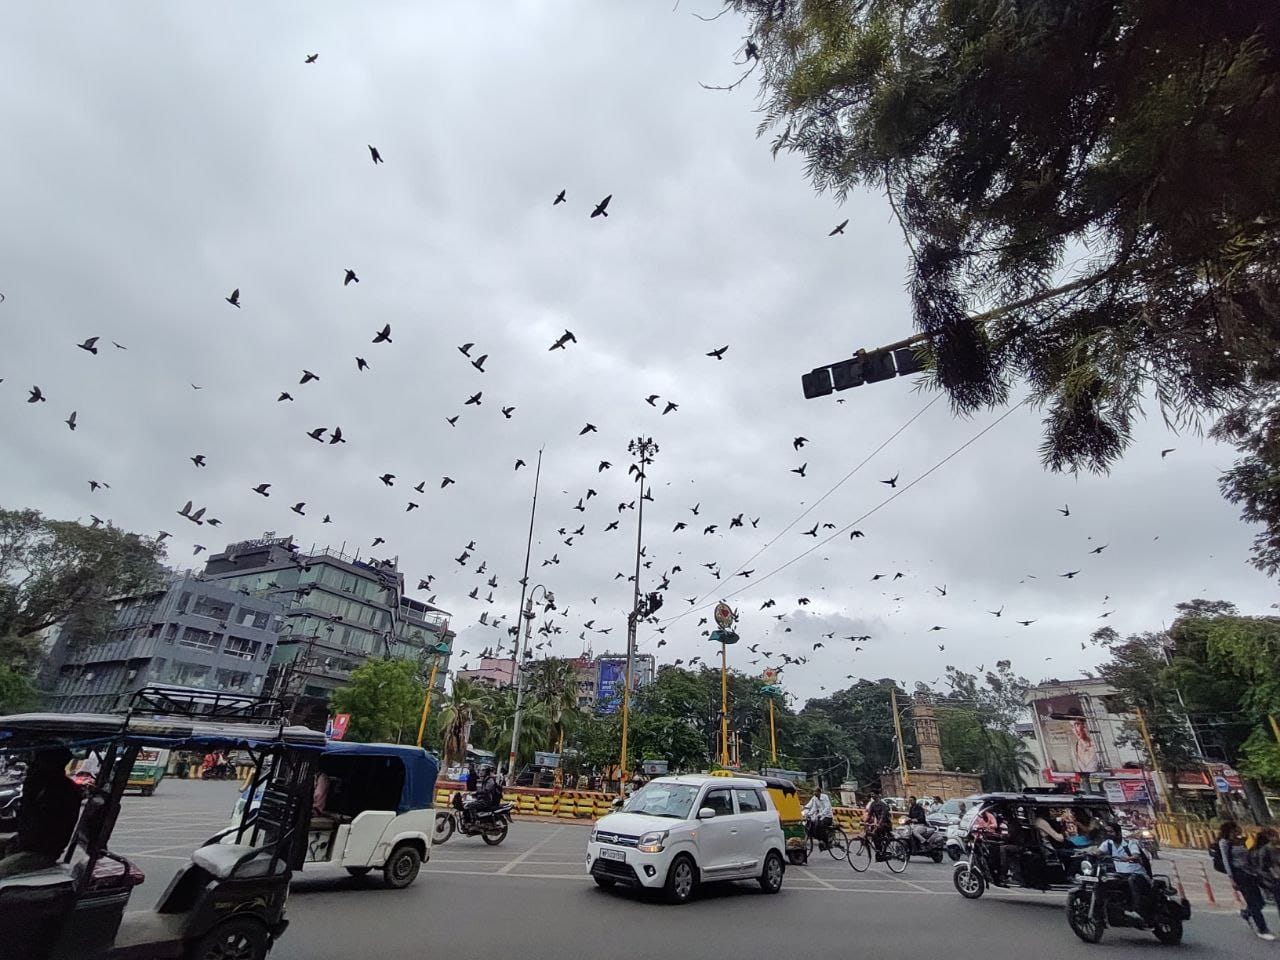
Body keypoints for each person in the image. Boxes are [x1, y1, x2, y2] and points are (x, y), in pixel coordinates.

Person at [0, 748, 82, 879]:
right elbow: (23, 820)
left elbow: (38, 827)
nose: (30, 766)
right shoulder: (40, 785)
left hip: (40, 853)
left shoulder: (61, 790)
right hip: (23, 844)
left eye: (36, 762)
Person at [1221, 822, 1275, 940]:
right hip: (1240, 875)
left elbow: (1250, 855)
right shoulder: (1225, 843)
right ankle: (1262, 929)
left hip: (1252, 873)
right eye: (1236, 828)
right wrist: (1232, 879)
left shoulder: (1241, 841)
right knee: (1253, 902)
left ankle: (1246, 913)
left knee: (1261, 902)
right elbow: (1226, 861)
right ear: (1231, 830)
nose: (1239, 829)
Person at [1099, 822, 1151, 919]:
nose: (1108, 834)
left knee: (1132, 880)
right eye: (1107, 832)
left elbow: (1136, 855)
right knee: (1103, 880)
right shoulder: (1107, 844)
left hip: (1138, 875)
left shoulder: (1130, 843)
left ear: (1118, 832)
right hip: (1121, 875)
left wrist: (1128, 858)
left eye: (1111, 832)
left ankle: (1137, 910)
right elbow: (1098, 852)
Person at [1250, 828, 1280, 931]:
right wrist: (1274, 875)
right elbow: (1263, 866)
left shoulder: (1273, 848)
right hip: (1273, 880)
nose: (1277, 837)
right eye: (1274, 835)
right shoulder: (1264, 850)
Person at [803, 784, 834, 849]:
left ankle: (827, 842)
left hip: (828, 816)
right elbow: (814, 808)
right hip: (820, 816)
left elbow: (827, 807)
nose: (814, 793)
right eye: (813, 792)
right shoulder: (815, 798)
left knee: (820, 825)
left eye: (815, 792)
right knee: (814, 826)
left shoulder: (825, 797)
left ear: (819, 792)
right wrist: (808, 814)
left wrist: (821, 814)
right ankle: (820, 840)